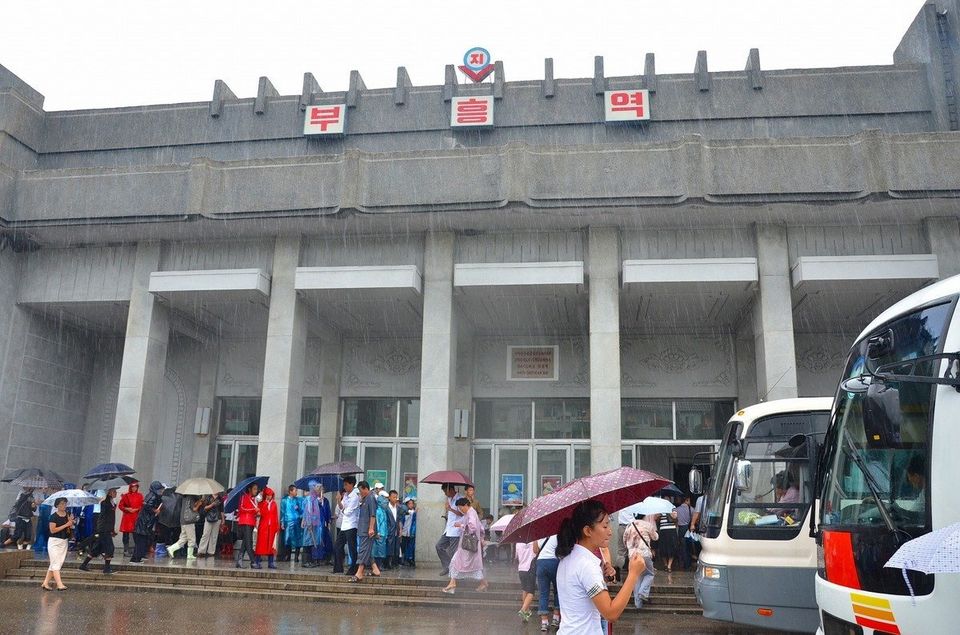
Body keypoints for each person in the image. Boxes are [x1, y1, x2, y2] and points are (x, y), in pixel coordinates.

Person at [555, 500, 646, 634]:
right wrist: (633, 574)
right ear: (587, 530)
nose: (610, 532)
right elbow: (611, 613)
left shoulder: (568, 559)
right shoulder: (587, 565)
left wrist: (600, 577)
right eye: (605, 526)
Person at [442, 497, 487, 594]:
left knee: (456, 561)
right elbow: (480, 527)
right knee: (472, 564)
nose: (460, 509)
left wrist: (461, 526)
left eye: (461, 507)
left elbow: (472, 528)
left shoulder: (471, 513)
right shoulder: (470, 513)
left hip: (468, 544)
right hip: (470, 544)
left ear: (466, 505)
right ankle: (482, 583)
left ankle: (453, 583)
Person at [622, 513, 657, 608]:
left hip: (633, 556)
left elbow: (624, 540)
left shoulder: (629, 526)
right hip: (645, 554)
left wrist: (630, 547)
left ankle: (638, 604)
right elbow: (655, 537)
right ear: (644, 516)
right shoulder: (647, 525)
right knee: (650, 574)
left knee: (636, 578)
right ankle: (643, 592)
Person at [80, 488, 117, 575]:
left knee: (97, 548)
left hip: (107, 529)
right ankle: (107, 569)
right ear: (110, 493)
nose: (116, 493)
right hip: (104, 530)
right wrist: (102, 529)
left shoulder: (112, 503)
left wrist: (112, 529)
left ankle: (83, 565)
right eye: (114, 492)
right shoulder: (105, 503)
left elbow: (111, 519)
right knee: (110, 547)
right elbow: (102, 517)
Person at [350, 480, 381, 582]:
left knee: (363, 550)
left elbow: (373, 515)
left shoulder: (371, 498)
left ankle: (359, 573)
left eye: (360, 490)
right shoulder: (365, 499)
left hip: (367, 530)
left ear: (365, 488)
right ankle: (375, 570)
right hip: (363, 529)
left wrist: (371, 528)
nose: (360, 493)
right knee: (367, 550)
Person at [41, 497, 73, 591]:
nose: (64, 505)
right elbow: (52, 530)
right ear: (57, 505)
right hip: (54, 541)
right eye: (61, 504)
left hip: (64, 541)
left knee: (57, 563)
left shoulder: (68, 514)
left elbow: (69, 527)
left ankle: (45, 583)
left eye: (65, 503)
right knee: (55, 563)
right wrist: (66, 525)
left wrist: (71, 522)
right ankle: (59, 584)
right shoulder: (53, 516)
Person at [130, 481, 164, 564]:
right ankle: (136, 558)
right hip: (144, 523)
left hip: (145, 522)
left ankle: (138, 557)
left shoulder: (152, 495)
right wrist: (155, 510)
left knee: (143, 541)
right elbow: (147, 506)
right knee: (141, 541)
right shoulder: (152, 496)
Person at [333, 475, 360, 575]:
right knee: (337, 546)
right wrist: (339, 500)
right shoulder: (346, 495)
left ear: (352, 484)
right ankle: (338, 568)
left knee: (352, 548)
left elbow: (348, 512)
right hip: (344, 525)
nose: (344, 487)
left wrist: (343, 508)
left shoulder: (355, 497)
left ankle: (354, 568)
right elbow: (341, 508)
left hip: (352, 525)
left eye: (346, 484)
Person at [535, 534, 561, 632]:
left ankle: (544, 623)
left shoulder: (539, 535)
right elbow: (560, 550)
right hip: (554, 562)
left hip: (541, 563)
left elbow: (535, 551)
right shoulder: (557, 534)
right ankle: (556, 618)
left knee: (543, 593)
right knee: (557, 590)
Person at [301, 482, 331, 568]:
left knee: (311, 543)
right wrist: (308, 522)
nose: (320, 491)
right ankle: (305, 561)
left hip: (315, 524)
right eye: (319, 489)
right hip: (310, 523)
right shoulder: (309, 499)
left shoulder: (315, 499)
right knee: (307, 542)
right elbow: (308, 511)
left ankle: (310, 561)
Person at [436, 483, 462, 576]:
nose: (445, 494)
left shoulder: (460, 499)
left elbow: (462, 513)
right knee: (439, 546)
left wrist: (451, 509)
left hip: (456, 531)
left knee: (454, 552)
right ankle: (447, 566)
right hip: (448, 529)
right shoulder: (449, 499)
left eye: (445, 491)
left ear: (450, 490)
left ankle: (457, 572)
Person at [167, 495, 203, 560]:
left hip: (183, 520)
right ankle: (190, 555)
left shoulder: (184, 497)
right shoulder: (191, 498)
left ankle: (171, 548)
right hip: (189, 521)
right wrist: (199, 504)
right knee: (192, 539)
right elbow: (194, 509)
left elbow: (189, 507)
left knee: (183, 538)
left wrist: (197, 502)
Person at [254, 487, 280, 569]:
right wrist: (265, 503)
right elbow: (261, 513)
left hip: (272, 526)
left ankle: (271, 562)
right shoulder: (261, 503)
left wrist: (277, 526)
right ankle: (257, 561)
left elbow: (276, 515)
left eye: (271, 495)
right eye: (268, 495)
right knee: (260, 544)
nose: (269, 496)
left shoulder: (274, 504)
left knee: (271, 544)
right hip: (264, 526)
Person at [235, 482, 259, 569]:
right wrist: (253, 509)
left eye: (256, 489)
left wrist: (257, 513)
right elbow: (242, 508)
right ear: (250, 489)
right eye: (254, 489)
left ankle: (239, 560)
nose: (256, 491)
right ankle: (253, 561)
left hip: (251, 522)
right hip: (245, 522)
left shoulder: (254, 499)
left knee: (245, 542)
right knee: (249, 542)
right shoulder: (244, 497)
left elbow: (254, 512)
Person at [118, 481, 143, 557]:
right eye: (132, 487)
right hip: (127, 517)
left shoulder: (140, 496)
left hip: (135, 517)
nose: (134, 488)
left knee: (136, 534)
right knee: (126, 534)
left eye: (135, 487)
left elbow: (142, 505)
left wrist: (136, 509)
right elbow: (120, 506)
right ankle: (126, 549)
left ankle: (135, 550)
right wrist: (127, 509)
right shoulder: (125, 496)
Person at [516, 539, 537, 623]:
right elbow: (536, 552)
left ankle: (526, 612)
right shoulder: (533, 541)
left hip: (521, 569)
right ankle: (523, 609)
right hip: (530, 569)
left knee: (525, 590)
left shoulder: (518, 543)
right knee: (531, 592)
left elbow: (517, 557)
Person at [280, 484, 302, 563]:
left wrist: (298, 509)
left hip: (297, 521)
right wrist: (282, 522)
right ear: (290, 491)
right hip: (288, 522)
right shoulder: (284, 500)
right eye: (295, 490)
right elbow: (282, 512)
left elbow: (302, 511)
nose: (296, 492)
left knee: (298, 539)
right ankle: (287, 556)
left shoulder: (298, 500)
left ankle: (296, 556)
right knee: (287, 539)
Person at [197, 492, 222, 558]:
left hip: (217, 518)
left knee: (214, 535)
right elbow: (204, 508)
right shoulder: (208, 497)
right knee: (205, 534)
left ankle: (211, 552)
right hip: (208, 517)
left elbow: (222, 510)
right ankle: (201, 551)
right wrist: (212, 505)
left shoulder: (220, 498)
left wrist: (223, 520)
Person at [657, 504, 679, 573]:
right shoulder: (659, 510)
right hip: (663, 531)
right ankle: (665, 564)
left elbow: (676, 519)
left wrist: (672, 515)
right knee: (663, 548)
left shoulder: (673, 508)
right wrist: (658, 516)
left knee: (672, 548)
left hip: (671, 530)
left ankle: (669, 566)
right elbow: (656, 520)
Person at [675, 494, 693, 570]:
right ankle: (688, 564)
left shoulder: (676, 509)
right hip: (688, 529)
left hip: (680, 529)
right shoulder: (691, 509)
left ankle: (681, 562)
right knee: (688, 547)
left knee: (681, 547)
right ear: (687, 500)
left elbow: (675, 520)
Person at [373, 490, 389, 569]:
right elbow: (377, 522)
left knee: (382, 550)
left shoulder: (384, 511)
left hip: (383, 534)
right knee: (377, 550)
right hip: (379, 534)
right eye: (385, 500)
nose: (386, 502)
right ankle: (377, 565)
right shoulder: (378, 511)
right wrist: (377, 532)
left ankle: (379, 564)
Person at [386, 490, 401, 568]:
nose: (395, 499)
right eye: (393, 497)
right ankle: (387, 563)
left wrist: (400, 530)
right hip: (389, 530)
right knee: (389, 546)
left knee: (396, 547)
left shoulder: (398, 508)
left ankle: (395, 563)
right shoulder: (386, 507)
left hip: (396, 530)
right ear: (389, 497)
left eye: (396, 497)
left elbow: (399, 519)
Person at [400, 497, 417, 567]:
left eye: (412, 503)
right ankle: (403, 560)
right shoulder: (405, 512)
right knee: (403, 546)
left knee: (410, 546)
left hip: (411, 532)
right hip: (404, 532)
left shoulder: (414, 512)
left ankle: (409, 559)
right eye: (409, 503)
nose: (411, 505)